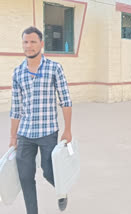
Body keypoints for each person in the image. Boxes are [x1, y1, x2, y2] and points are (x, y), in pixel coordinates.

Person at [9, 26, 72, 214]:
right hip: (25, 133)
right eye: (25, 42)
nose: (28, 46)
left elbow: (65, 100)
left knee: (48, 170)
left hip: (47, 131)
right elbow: (16, 108)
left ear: (41, 44)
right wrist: (13, 137)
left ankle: (62, 190)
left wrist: (67, 129)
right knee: (25, 176)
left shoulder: (54, 68)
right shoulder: (17, 72)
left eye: (33, 42)